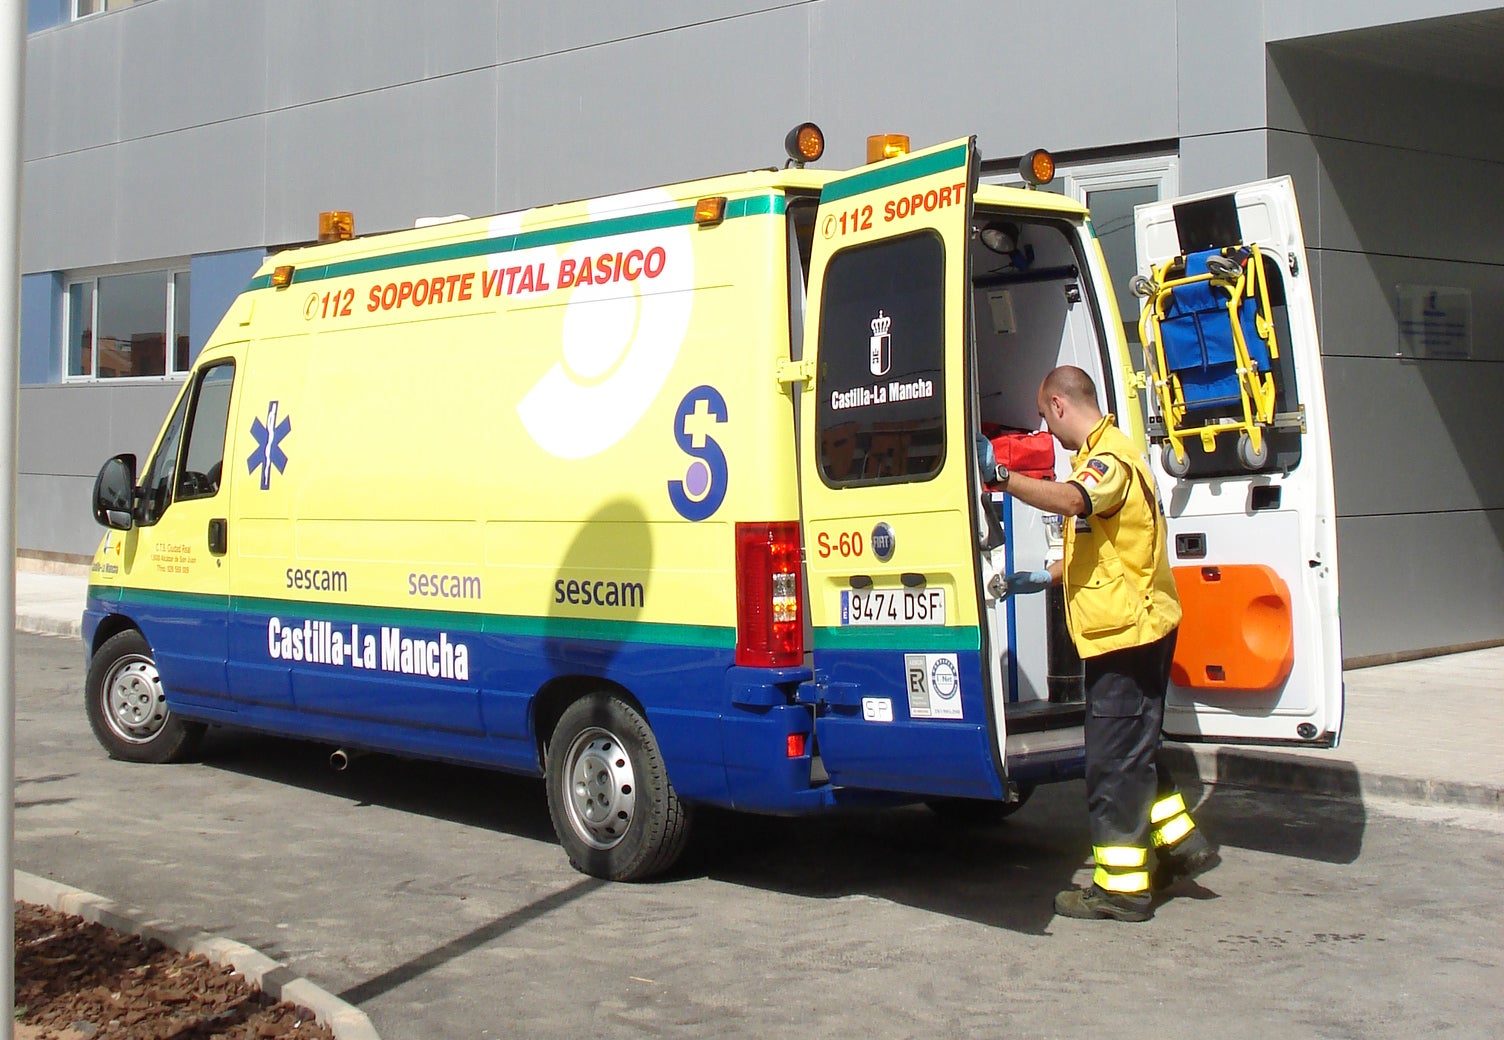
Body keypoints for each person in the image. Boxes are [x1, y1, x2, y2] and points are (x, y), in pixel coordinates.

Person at [993, 365, 1218, 922]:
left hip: (1128, 635)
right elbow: (1107, 545)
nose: (1048, 429)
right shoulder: (1111, 454)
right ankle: (1178, 846)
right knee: (1133, 749)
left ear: (1059, 404)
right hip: (1130, 630)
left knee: (1112, 761)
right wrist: (1048, 574)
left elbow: (1074, 503)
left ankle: (1121, 891)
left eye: (1046, 417)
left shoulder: (1107, 462)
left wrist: (1003, 479)